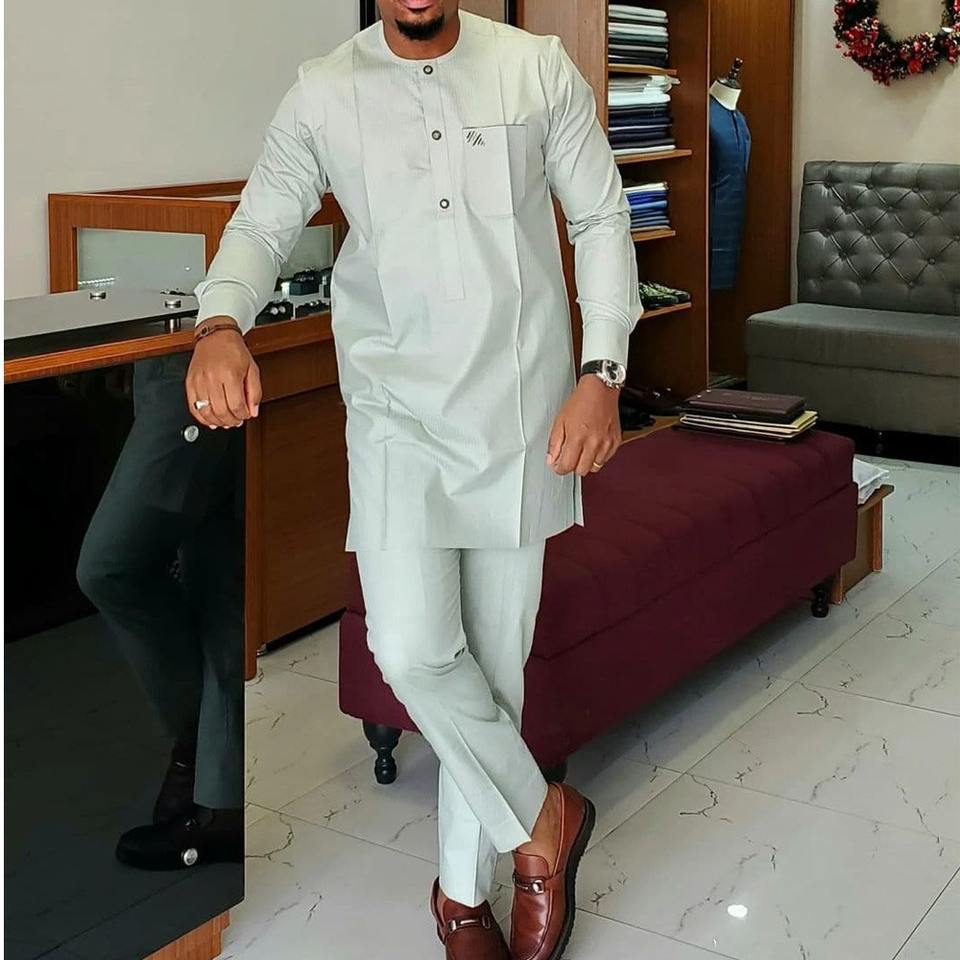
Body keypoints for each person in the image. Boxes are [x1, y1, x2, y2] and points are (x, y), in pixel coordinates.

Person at [187, 2, 642, 957]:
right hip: (395, 414)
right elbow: (262, 219)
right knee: (410, 649)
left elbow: (601, 214)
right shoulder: (324, 91)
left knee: (494, 670)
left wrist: (602, 373)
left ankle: (462, 901)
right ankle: (545, 818)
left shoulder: (535, 67)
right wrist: (221, 322)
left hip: (521, 410)